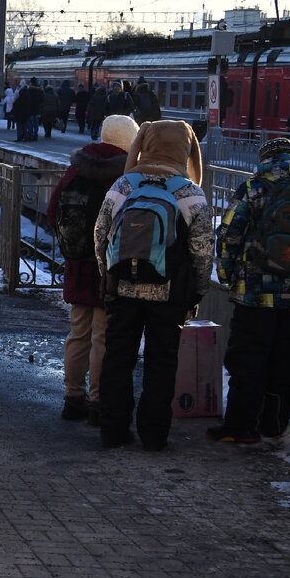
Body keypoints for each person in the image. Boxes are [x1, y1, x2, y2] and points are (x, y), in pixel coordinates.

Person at [93, 120, 212, 451]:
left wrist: (109, 276)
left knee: (118, 358)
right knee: (161, 362)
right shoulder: (189, 193)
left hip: (123, 289)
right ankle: (154, 434)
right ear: (187, 151)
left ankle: (113, 430)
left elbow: (100, 235)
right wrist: (197, 290)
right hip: (169, 292)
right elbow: (202, 251)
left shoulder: (124, 185)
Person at [210, 137, 290, 443]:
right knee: (284, 359)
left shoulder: (254, 187)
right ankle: (275, 424)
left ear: (266, 158)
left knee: (247, 357)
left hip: (254, 292)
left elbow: (228, 233)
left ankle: (241, 427)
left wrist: (226, 274)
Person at [46, 115, 138, 426]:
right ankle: (99, 402)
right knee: (103, 337)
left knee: (78, 335)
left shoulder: (77, 169)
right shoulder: (126, 176)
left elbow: (51, 211)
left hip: (76, 265)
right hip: (109, 268)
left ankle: (73, 399)